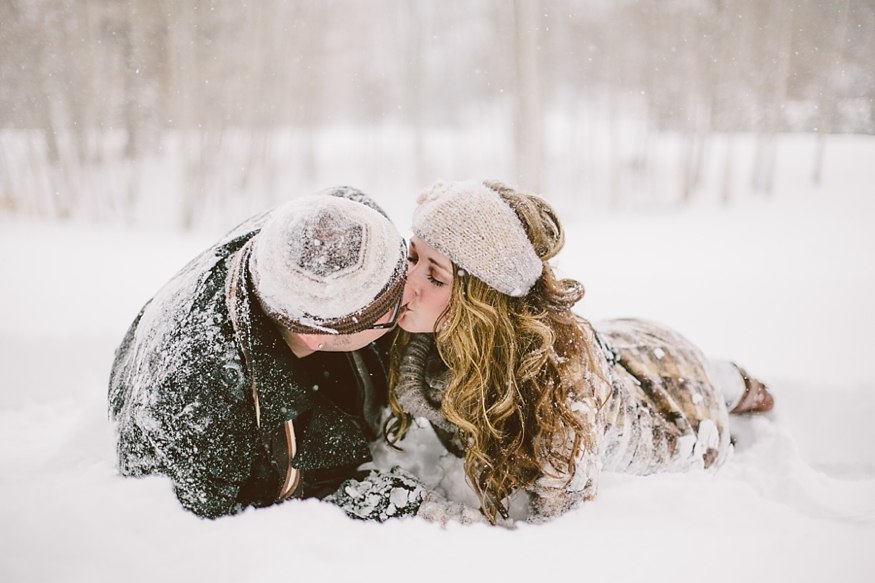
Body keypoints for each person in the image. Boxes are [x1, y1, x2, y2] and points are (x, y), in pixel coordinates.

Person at [385, 180, 775, 524]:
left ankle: (735, 384)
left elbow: (558, 533)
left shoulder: (560, 398)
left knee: (702, 382)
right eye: (414, 256)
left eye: (435, 276)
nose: (409, 282)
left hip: (673, 410)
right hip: (617, 344)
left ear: (483, 302)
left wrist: (432, 516)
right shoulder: (430, 327)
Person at [108, 187, 411, 518]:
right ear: (316, 336)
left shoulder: (345, 221)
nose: (412, 295)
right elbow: (188, 537)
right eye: (394, 309)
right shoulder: (195, 410)